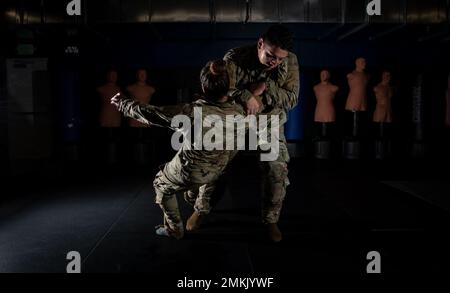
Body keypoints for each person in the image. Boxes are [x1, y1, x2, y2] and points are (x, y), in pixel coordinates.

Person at [111, 60, 244, 239]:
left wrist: (123, 104)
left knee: (161, 184)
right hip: (217, 170)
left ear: (204, 87)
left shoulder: (192, 112)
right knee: (199, 184)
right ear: (228, 87)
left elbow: (153, 114)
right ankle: (195, 197)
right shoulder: (240, 112)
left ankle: (175, 229)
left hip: (192, 172)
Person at [223, 24, 300, 242]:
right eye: (271, 55)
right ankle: (201, 209)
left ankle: (271, 219)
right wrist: (247, 95)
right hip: (237, 115)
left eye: (280, 59)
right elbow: (223, 90)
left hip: (269, 119)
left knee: (276, 169)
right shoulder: (235, 57)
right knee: (214, 161)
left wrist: (265, 87)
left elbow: (292, 99)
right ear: (260, 44)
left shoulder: (290, 60)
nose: (275, 61)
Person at [313, 69, 338, 137]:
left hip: (329, 110)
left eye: (325, 74)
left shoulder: (333, 88)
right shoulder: (316, 87)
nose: (323, 76)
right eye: (322, 74)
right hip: (319, 109)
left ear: (328, 76)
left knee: (329, 129)